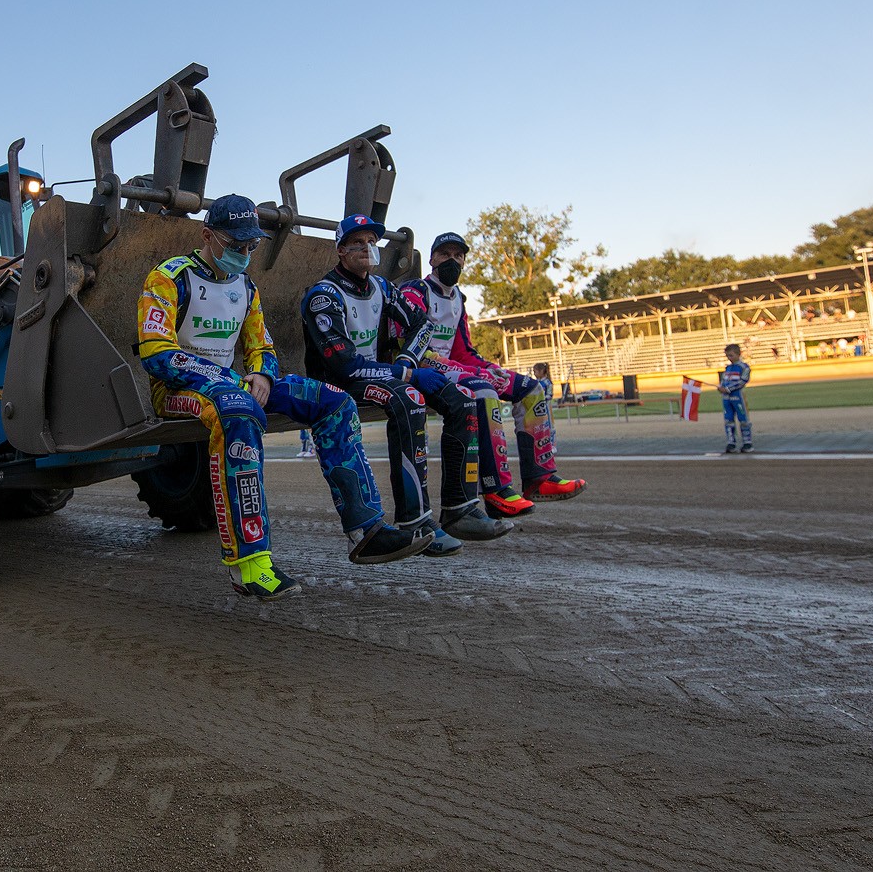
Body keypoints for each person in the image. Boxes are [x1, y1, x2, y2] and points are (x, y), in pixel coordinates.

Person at [136, 194, 431, 600]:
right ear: (207, 235)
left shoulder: (247, 287)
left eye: (250, 245)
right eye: (235, 244)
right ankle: (250, 564)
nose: (244, 252)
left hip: (236, 384)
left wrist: (261, 373)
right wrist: (229, 381)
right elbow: (156, 352)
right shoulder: (169, 277)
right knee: (239, 412)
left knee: (335, 402)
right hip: (176, 391)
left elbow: (262, 345)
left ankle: (367, 529)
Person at [301, 214, 511, 549]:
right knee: (409, 397)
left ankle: (461, 508)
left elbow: (422, 324)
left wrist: (405, 360)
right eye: (357, 243)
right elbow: (345, 367)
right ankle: (416, 520)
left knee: (462, 398)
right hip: (338, 383)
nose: (366, 248)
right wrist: (406, 373)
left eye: (371, 241)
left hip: (384, 373)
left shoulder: (382, 287)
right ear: (340, 250)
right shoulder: (324, 295)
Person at [399, 232, 586, 511]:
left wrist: (491, 368)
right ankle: (497, 489)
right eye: (445, 254)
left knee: (531, 388)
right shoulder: (416, 290)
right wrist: (475, 373)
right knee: (484, 390)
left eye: (458, 256)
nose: (452, 260)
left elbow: (463, 350)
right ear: (432, 259)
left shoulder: (458, 298)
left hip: (454, 367)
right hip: (421, 363)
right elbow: (409, 343)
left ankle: (540, 477)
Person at [717, 344, 754, 454]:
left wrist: (728, 389)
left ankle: (747, 442)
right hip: (726, 399)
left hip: (738, 397)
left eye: (731, 355)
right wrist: (721, 387)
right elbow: (723, 381)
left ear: (738, 354)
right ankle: (731, 442)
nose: (729, 358)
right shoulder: (727, 368)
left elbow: (742, 381)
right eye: (727, 356)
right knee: (728, 420)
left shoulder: (744, 367)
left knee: (743, 419)